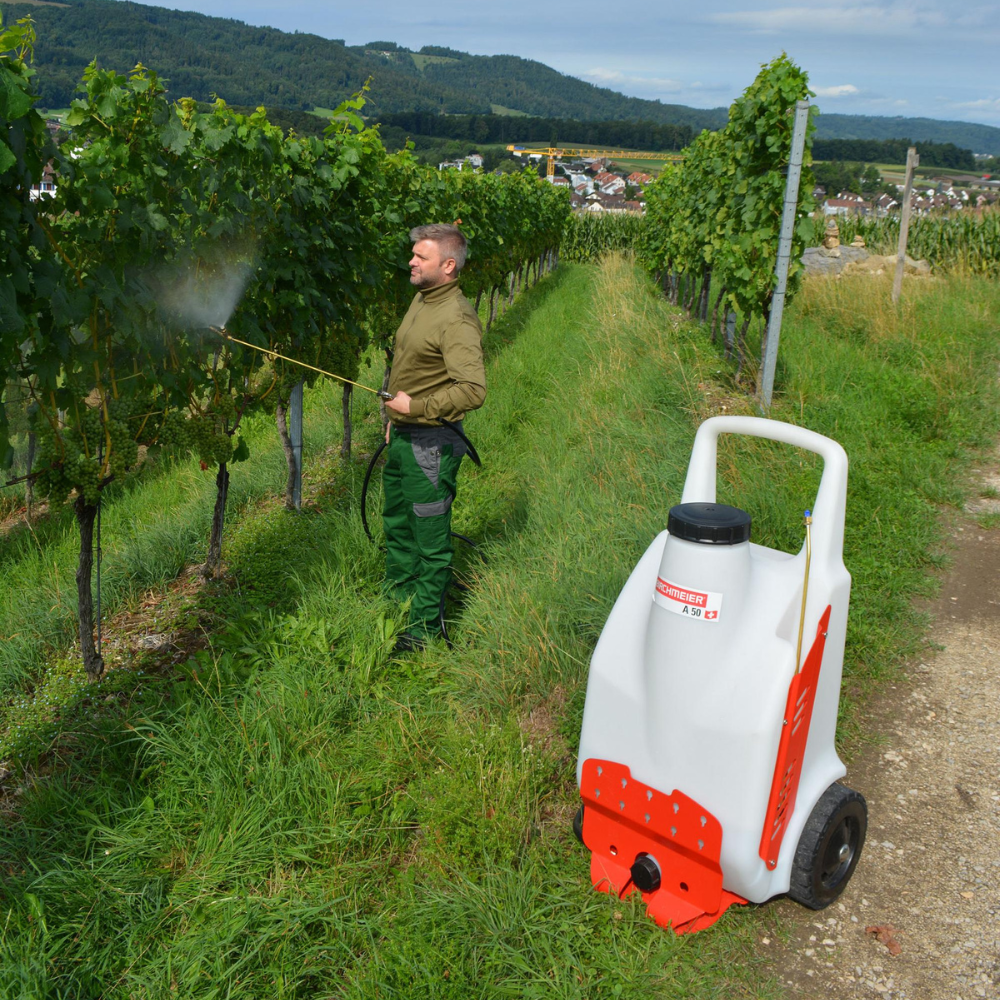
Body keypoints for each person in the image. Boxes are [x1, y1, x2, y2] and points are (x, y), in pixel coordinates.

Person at [383, 224, 486, 653]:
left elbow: (473, 389)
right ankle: (398, 600)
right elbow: (411, 367)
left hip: (431, 445)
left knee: (430, 540)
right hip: (405, 436)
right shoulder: (422, 299)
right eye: (413, 254)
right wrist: (394, 416)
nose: (411, 261)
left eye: (420, 257)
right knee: (399, 525)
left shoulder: (456, 317)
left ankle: (424, 629)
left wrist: (415, 409)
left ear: (447, 265)